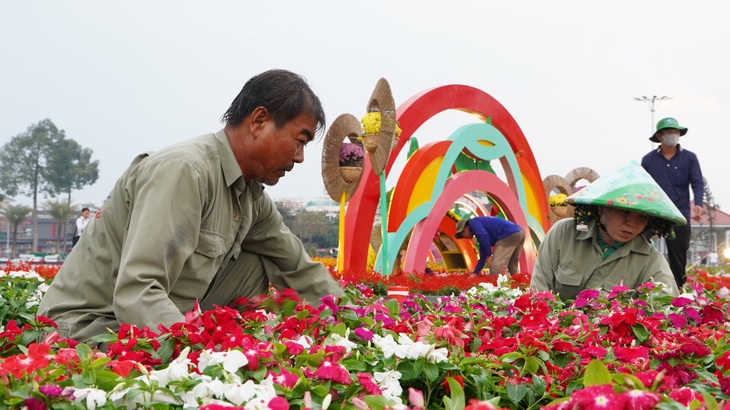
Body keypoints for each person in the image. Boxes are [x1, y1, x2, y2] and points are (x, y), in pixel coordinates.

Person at [38, 69, 344, 344]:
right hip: (90, 324)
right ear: (259, 121)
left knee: (260, 259)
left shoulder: (250, 196)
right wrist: (199, 355)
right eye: (300, 140)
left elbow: (296, 265)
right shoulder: (185, 170)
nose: (300, 157)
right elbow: (138, 289)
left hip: (153, 320)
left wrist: (355, 323)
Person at [531, 161, 685, 301]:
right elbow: (539, 291)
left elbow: (666, 308)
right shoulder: (563, 234)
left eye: (642, 216)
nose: (631, 223)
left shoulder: (651, 261)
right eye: (624, 211)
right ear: (602, 208)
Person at [641, 117, 704, 289]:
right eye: (669, 132)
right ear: (660, 136)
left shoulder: (689, 158)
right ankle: (641, 283)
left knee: (678, 258)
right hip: (653, 213)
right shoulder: (648, 160)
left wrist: (698, 203)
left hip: (678, 214)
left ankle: (679, 292)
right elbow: (643, 185)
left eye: (675, 132)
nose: (673, 135)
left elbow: (697, 182)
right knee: (637, 241)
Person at [454, 215, 525, 276]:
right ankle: (520, 286)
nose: (463, 237)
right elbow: (482, 257)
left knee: (495, 265)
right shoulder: (481, 232)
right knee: (512, 264)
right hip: (520, 233)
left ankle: (495, 288)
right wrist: (475, 273)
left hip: (509, 234)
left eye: (461, 233)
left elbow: (484, 236)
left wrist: (489, 254)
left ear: (466, 228)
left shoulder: (473, 223)